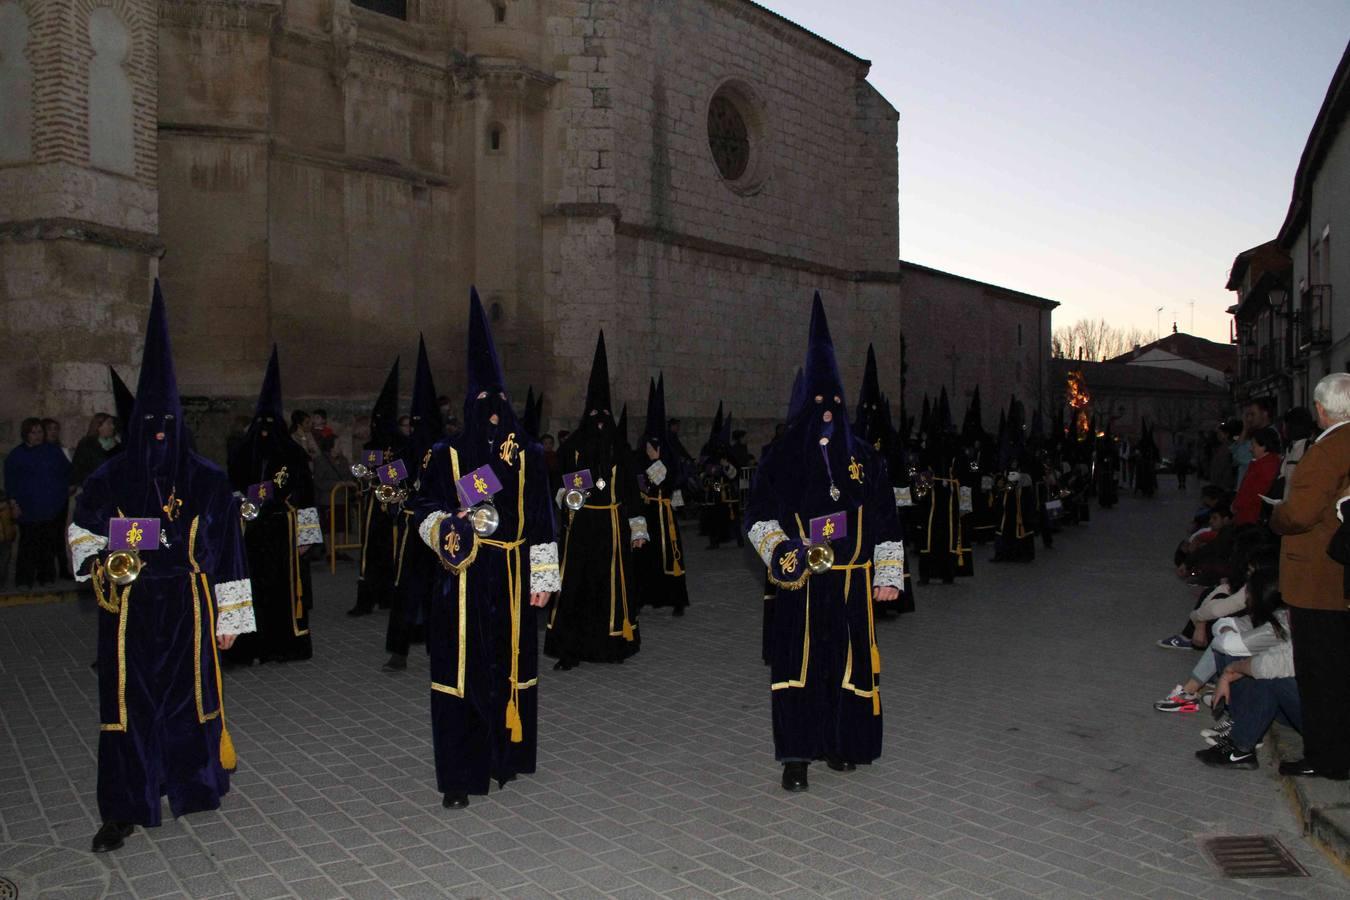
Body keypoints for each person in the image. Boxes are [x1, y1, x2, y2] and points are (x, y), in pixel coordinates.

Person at [67, 282, 255, 853]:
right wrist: (124, 550)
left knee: (189, 699)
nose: (157, 437)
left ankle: (193, 783)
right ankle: (124, 805)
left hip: (190, 606)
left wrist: (231, 617)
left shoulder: (207, 478)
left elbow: (227, 550)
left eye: (166, 425)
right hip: (127, 610)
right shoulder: (109, 478)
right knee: (127, 707)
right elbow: (81, 534)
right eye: (148, 425)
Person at [745, 293, 903, 792]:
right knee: (800, 668)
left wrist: (890, 575)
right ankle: (797, 756)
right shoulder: (780, 458)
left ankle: (841, 743)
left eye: (835, 405)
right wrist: (779, 551)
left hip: (854, 587)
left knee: (845, 667)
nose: (828, 415)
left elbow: (885, 518)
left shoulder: (866, 458)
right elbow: (756, 516)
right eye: (819, 406)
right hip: (804, 587)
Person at [412, 289, 558, 808]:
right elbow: (423, 510)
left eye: (498, 406)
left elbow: (543, 518)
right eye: (482, 407)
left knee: (509, 667)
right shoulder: (445, 455)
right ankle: (460, 774)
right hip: (463, 580)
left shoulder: (531, 456)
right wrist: (446, 531)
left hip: (515, 576)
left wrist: (543, 579)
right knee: (463, 671)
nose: (491, 417)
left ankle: (507, 756)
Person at [544, 332, 646, 670]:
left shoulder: (620, 448)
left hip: (614, 526)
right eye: (595, 414)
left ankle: (612, 644)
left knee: (611, 586)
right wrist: (568, 497)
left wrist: (637, 528)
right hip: (582, 526)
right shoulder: (573, 446)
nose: (600, 420)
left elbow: (631, 491)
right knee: (577, 584)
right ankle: (569, 649)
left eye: (606, 414)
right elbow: (559, 483)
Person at [1269, 373, 1350, 780]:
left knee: (1320, 675)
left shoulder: (1329, 449)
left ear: (1321, 409)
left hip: (1318, 578)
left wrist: (1276, 514)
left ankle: (1326, 758)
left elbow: (1299, 513)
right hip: (1339, 577)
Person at [224, 347, 322, 665]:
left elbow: (306, 494)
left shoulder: (293, 455)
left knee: (281, 590)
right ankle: (248, 646)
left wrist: (306, 535)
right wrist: (241, 506)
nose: (265, 430)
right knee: (252, 588)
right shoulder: (241, 453)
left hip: (283, 531)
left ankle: (283, 646)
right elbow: (230, 487)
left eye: (271, 423)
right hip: (250, 532)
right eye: (260, 423)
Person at [383, 337, 443, 672]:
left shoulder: (451, 452)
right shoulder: (405, 452)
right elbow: (387, 482)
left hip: (439, 528)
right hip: (411, 529)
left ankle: (440, 645)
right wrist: (394, 496)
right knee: (407, 589)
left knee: (440, 589)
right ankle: (399, 650)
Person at [348, 360, 406, 617]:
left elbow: (405, 469)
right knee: (371, 550)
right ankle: (367, 598)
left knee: (394, 550)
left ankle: (391, 597)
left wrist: (386, 479)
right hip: (374, 506)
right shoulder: (372, 445)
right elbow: (366, 472)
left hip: (396, 506)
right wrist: (367, 478)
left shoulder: (403, 444)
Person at [634, 374, 689, 616]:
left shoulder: (669, 456)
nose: (651, 447)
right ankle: (647, 596)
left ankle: (676, 599)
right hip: (646, 511)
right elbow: (638, 480)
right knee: (646, 555)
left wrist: (657, 462)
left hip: (664, 511)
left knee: (670, 554)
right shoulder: (639, 454)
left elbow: (671, 481)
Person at [5, 417, 71, 587]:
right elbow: (11, 482)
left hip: (49, 508)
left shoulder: (52, 452)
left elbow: (66, 473)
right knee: (28, 545)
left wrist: (61, 495)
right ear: (26, 434)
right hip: (28, 508)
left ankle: (46, 577)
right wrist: (14, 504)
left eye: (40, 432)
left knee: (47, 545)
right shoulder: (17, 455)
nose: (37, 436)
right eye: (33, 433)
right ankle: (24, 579)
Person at [1231, 426, 1281, 525]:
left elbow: (1253, 494)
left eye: (1253, 446)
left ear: (1264, 447)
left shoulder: (1266, 466)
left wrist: (1237, 504)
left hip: (1251, 517)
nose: (1250, 449)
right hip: (1248, 514)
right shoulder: (1262, 463)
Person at [71, 413, 120, 489]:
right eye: (109, 423)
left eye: (112, 424)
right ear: (99, 426)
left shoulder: (116, 444)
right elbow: (77, 468)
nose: (113, 427)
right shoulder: (86, 444)